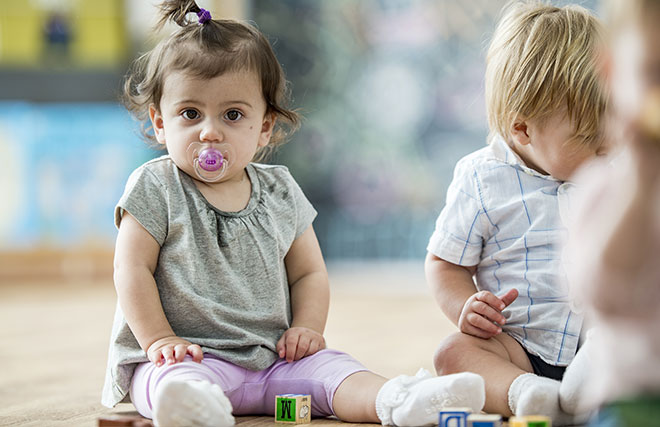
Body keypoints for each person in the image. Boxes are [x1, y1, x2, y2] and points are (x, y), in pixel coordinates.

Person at [101, 1, 486, 426]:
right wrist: (160, 340)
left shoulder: (280, 190)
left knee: (333, 370)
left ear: (264, 126)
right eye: (190, 114)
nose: (209, 132)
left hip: (274, 360)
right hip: (189, 354)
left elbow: (309, 273)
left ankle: (398, 400)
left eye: (232, 115)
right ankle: (192, 410)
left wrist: (306, 327)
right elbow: (130, 269)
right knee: (164, 380)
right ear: (159, 122)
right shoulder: (156, 186)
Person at [424, 1, 607, 423]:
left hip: (601, 344)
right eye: (589, 136)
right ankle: (528, 394)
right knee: (453, 353)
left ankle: (590, 392)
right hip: (520, 347)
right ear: (522, 129)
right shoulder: (482, 179)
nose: (608, 146)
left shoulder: (616, 171)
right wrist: (467, 306)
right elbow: (444, 263)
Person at [558, 0, 660, 425]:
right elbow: (603, 292)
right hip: (636, 403)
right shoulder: (605, 188)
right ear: (612, 73)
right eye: (655, 74)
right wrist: (642, 177)